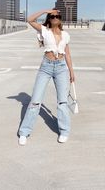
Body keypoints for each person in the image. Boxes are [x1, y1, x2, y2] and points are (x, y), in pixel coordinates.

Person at [18, 8, 75, 145]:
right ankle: (24, 132)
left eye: (57, 16)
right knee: (35, 101)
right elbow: (29, 19)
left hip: (61, 68)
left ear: (60, 19)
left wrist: (71, 71)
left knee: (62, 102)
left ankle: (64, 131)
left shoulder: (65, 35)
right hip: (46, 67)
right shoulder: (44, 31)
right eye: (52, 16)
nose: (55, 17)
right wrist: (45, 11)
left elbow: (67, 54)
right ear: (49, 19)